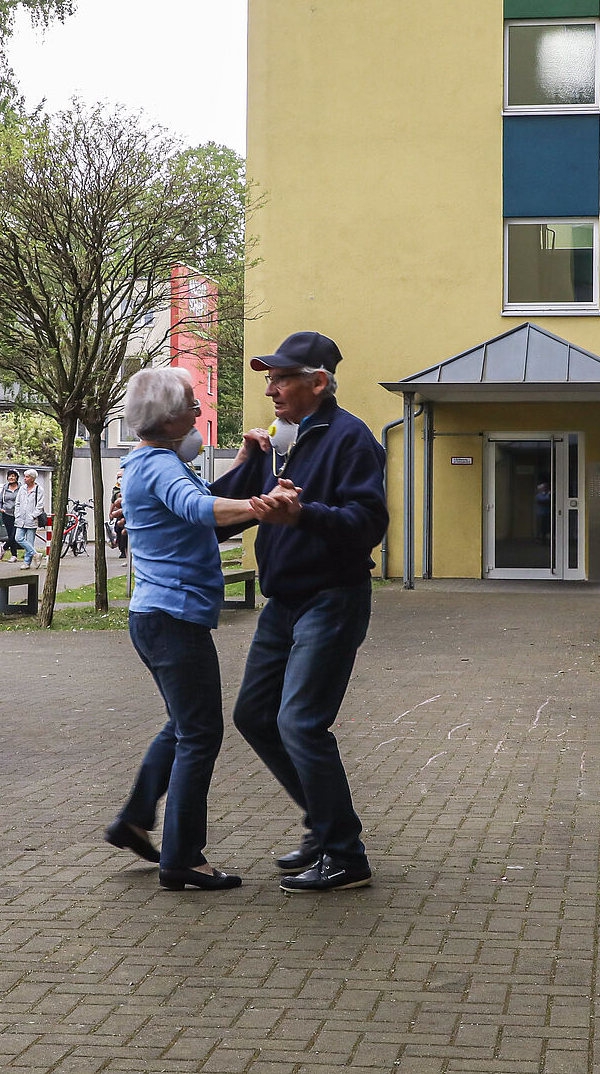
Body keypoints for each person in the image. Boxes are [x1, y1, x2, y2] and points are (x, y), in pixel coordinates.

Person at [211, 331, 388, 893]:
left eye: (282, 378)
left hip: (331, 599)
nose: (271, 388)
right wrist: (247, 464)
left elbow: (368, 524)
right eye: (269, 378)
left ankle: (345, 855)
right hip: (282, 602)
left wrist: (304, 515)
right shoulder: (280, 442)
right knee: (254, 716)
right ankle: (323, 822)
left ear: (318, 382)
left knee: (301, 722)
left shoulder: (351, 439)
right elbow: (230, 514)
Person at [105, 367, 261, 891]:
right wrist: (264, 505)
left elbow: (199, 504)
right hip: (173, 620)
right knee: (201, 733)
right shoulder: (157, 467)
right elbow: (200, 508)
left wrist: (244, 466)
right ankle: (184, 858)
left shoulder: (155, 463)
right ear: (170, 416)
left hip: (157, 617)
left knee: (182, 725)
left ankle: (133, 820)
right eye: (193, 403)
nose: (199, 411)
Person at [15, 467, 48, 569]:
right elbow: (18, 502)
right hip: (20, 518)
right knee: (18, 538)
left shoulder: (39, 490)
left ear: (33, 479)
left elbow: (40, 505)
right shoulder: (22, 488)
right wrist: (17, 514)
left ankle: (27, 562)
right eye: (24, 476)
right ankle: (35, 554)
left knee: (30, 541)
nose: (24, 478)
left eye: (27, 477)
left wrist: (33, 515)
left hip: (32, 519)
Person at [0, 469, 21, 559]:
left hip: (18, 514)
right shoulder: (5, 487)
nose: (11, 478)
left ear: (16, 478)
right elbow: (0, 501)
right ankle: (14, 555)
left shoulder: (21, 488)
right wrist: (0, 509)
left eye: (13, 476)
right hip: (7, 514)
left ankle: (4, 547)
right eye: (10, 476)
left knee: (15, 535)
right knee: (11, 534)